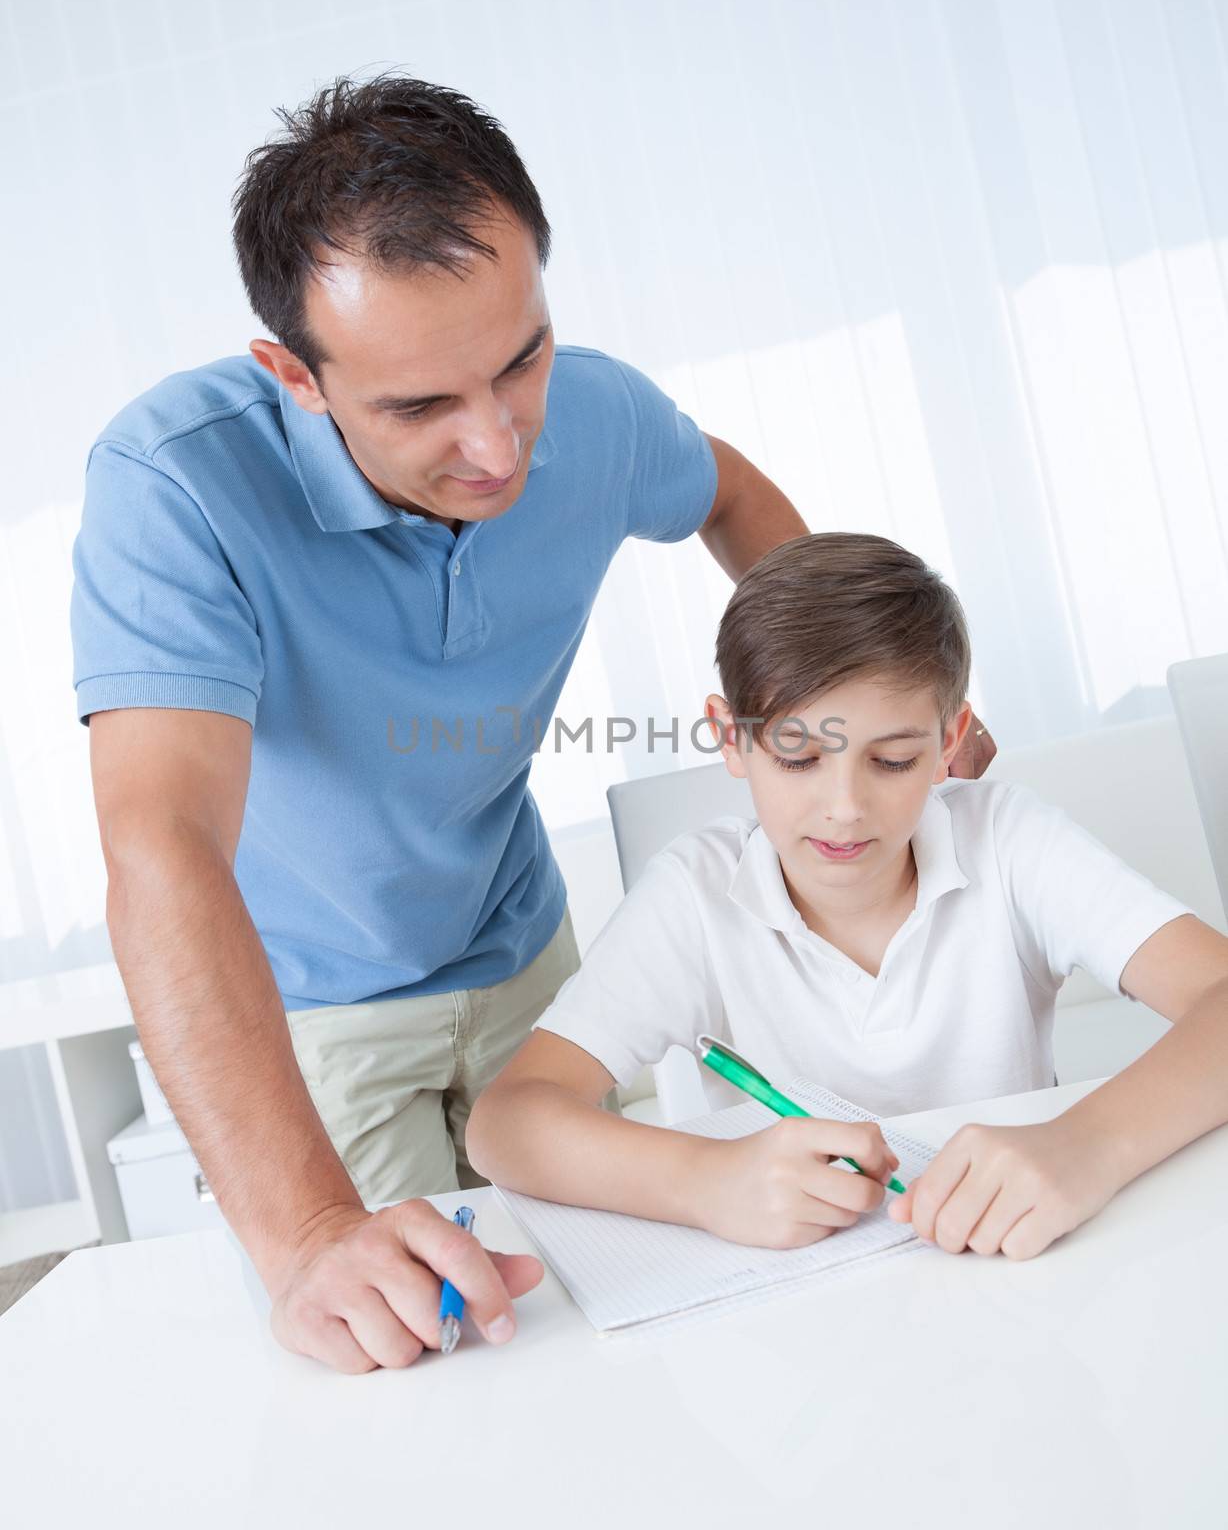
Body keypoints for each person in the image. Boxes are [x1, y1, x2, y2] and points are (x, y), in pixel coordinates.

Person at [73, 75, 987, 1376]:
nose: (499, 447)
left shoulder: (598, 417)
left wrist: (861, 703)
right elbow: (160, 844)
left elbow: (723, 485)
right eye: (418, 407)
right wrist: (312, 1228)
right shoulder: (176, 482)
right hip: (314, 1009)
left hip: (520, 948)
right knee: (424, 1361)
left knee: (604, 1320)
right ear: (296, 376)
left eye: (520, 361)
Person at [468, 532, 1228, 1262]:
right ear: (731, 739)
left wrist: (1085, 1143)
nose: (844, 807)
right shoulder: (695, 895)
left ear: (948, 740)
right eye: (797, 757)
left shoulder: (1008, 841)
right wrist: (706, 1179)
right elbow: (506, 1125)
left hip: (1009, 1265)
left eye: (892, 761)